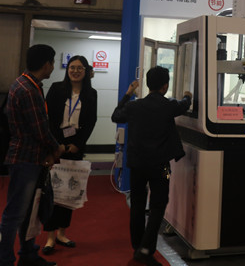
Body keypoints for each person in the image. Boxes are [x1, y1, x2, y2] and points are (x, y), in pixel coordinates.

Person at [111, 67, 192, 266]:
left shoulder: (134, 106)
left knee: (137, 205)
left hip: (137, 165)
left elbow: (115, 116)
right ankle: (146, 249)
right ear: (165, 86)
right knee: (159, 204)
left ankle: (137, 246)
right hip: (161, 166)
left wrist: (128, 94)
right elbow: (184, 105)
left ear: (148, 85)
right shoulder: (168, 105)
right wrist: (188, 96)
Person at [0, 44, 65, 266]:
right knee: (15, 213)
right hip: (25, 159)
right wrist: (56, 148)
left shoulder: (24, 83)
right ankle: (6, 259)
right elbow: (39, 129)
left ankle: (28, 255)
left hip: (29, 157)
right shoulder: (28, 89)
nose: (53, 67)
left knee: (29, 211)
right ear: (46, 64)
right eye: (52, 63)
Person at [42, 56, 98, 255]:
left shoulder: (91, 93)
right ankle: (50, 237)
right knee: (52, 192)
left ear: (86, 71)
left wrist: (77, 144)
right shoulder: (56, 89)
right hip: (55, 146)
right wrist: (56, 144)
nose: (75, 71)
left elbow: (91, 121)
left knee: (69, 192)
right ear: (67, 70)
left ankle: (62, 233)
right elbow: (48, 118)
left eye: (79, 68)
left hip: (75, 148)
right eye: (72, 67)